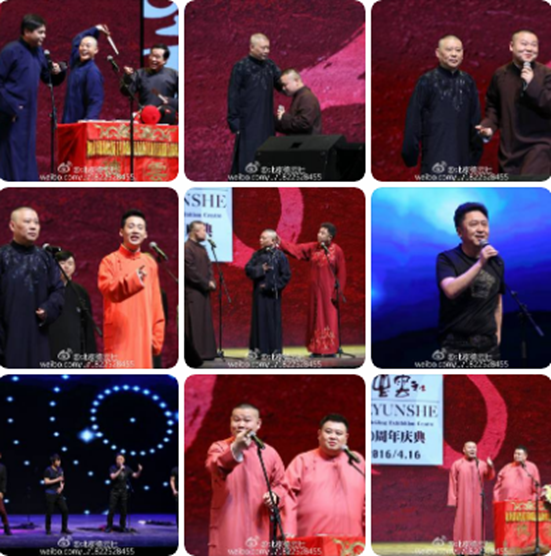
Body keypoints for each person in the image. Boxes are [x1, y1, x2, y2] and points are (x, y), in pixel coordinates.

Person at [206, 403, 287, 556]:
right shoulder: (219, 448)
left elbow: (281, 485)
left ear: (258, 424)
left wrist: (275, 495)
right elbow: (216, 467)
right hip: (228, 523)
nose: (241, 424)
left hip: (258, 525)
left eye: (247, 420)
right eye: (236, 420)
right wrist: (237, 447)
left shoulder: (269, 453)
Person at [402, 35, 483, 179]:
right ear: (438, 53)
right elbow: (414, 121)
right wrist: (410, 155)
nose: (454, 54)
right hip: (434, 157)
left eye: (458, 50)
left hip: (463, 160)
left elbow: (475, 121)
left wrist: (475, 157)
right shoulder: (426, 81)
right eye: (449, 50)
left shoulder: (468, 82)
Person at [476, 30, 551, 178]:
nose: (529, 48)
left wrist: (532, 84)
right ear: (511, 46)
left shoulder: (546, 74)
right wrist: (488, 127)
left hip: (540, 146)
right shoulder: (500, 75)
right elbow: (493, 108)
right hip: (510, 149)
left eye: (534, 45)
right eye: (524, 44)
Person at [0, 14, 66, 181]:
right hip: (10, 114)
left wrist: (58, 71)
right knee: (11, 154)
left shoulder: (39, 53)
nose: (44, 36)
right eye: (40, 32)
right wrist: (10, 107)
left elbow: (47, 78)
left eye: (44, 32)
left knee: (26, 152)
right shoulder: (11, 51)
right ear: (27, 31)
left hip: (29, 114)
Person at [437, 202, 505, 361]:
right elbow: (450, 290)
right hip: (455, 345)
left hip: (489, 346)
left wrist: (498, 336)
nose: (481, 229)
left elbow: (497, 302)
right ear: (460, 231)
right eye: (474, 224)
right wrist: (480, 263)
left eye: (484, 224)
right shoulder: (446, 259)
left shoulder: (496, 262)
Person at [98, 209, 165, 368]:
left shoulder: (150, 264)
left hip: (144, 336)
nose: (135, 231)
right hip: (119, 337)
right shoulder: (109, 261)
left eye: (140, 227)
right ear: (121, 231)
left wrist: (156, 338)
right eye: (131, 226)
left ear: (145, 234)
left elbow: (156, 304)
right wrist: (133, 280)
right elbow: (109, 290)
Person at [0, 207, 65, 368]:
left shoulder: (46, 258)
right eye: (27, 222)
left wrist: (48, 309)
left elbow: (58, 290)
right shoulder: (2, 257)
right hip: (8, 335)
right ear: (12, 226)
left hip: (38, 334)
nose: (33, 226)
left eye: (36, 222)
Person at [284, 414, 365, 536]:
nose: (333, 436)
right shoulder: (303, 461)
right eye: (328, 432)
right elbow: (286, 496)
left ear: (346, 438)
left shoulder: (356, 462)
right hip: (311, 538)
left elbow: (367, 502)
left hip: (352, 541)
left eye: (338, 433)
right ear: (319, 434)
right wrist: (288, 530)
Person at [277, 223, 346, 357]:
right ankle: (316, 349)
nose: (319, 235)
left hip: (329, 292)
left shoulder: (337, 251)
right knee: (315, 318)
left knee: (329, 318)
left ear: (330, 237)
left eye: (323, 233)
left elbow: (341, 273)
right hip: (315, 292)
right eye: (319, 232)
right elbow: (296, 249)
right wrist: (280, 242)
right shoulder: (313, 247)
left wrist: (337, 292)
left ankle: (329, 349)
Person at [228, 33, 282, 175]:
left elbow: (282, 84)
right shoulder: (241, 67)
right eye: (263, 48)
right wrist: (234, 121)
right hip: (247, 123)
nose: (267, 51)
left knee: (267, 156)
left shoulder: (270, 66)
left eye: (268, 48)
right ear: (252, 47)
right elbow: (233, 95)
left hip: (267, 122)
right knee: (248, 158)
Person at [245, 229, 291, 356]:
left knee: (273, 322)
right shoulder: (257, 255)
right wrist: (261, 269)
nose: (260, 240)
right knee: (259, 321)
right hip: (259, 295)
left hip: (273, 295)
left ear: (273, 240)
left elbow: (286, 275)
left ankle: (274, 350)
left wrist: (272, 286)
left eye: (264, 238)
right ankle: (259, 349)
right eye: (260, 238)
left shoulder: (280, 256)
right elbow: (248, 269)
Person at [48, 250, 97, 365]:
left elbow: (87, 324)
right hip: (49, 350)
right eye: (62, 263)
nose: (66, 266)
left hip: (74, 350)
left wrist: (90, 353)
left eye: (70, 263)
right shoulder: (45, 290)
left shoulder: (80, 292)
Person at [448, 441, 495, 555]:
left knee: (477, 524)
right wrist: (453, 499)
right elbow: (453, 482)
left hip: (477, 499)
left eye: (474, 447)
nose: (472, 450)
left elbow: (489, 476)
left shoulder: (481, 464)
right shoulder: (457, 464)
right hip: (463, 499)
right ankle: (460, 549)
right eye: (469, 448)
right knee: (462, 523)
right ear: (464, 450)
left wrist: (490, 467)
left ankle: (477, 549)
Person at [62, 24, 108, 123]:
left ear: (96, 50)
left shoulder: (92, 72)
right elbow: (76, 40)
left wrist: (88, 121)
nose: (84, 48)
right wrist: (96, 29)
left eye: (88, 46)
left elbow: (95, 100)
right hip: (68, 120)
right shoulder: (76, 63)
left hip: (80, 124)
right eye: (82, 45)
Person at [184, 221, 217, 361]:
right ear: (195, 232)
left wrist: (212, 280)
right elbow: (190, 271)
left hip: (203, 291)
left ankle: (207, 352)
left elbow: (209, 267)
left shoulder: (203, 249)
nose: (206, 233)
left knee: (204, 322)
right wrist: (205, 283)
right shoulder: (187, 248)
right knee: (195, 323)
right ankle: (197, 354)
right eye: (203, 230)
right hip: (193, 292)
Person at [122, 43, 178, 122]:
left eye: (157, 57)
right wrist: (127, 77)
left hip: (166, 117)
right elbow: (126, 92)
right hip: (144, 117)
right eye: (152, 56)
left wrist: (171, 101)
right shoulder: (140, 73)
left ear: (165, 60)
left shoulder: (174, 75)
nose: (153, 59)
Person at [275, 69, 322, 135]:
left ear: (296, 81)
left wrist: (283, 117)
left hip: (307, 141)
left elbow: (304, 124)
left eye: (285, 85)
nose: (283, 88)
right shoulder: (301, 97)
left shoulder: (306, 98)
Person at [106, 454, 143, 533]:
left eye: (121, 459)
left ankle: (122, 527)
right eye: (118, 459)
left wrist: (139, 470)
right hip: (114, 491)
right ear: (116, 460)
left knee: (124, 510)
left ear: (124, 460)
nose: (120, 460)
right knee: (111, 510)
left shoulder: (127, 468)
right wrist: (120, 469)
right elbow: (113, 477)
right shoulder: (112, 467)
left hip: (123, 492)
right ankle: (109, 527)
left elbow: (135, 476)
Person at [44, 454, 72, 535]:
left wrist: (61, 488)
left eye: (59, 460)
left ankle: (64, 528)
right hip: (50, 493)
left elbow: (62, 480)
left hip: (58, 494)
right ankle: (48, 529)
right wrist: (57, 479)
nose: (59, 462)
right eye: (57, 461)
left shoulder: (60, 469)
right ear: (53, 461)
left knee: (65, 510)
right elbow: (46, 482)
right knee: (49, 512)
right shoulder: (48, 470)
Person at [0, 450, 12, 536]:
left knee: (2, 510)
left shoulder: (2, 467)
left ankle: (6, 528)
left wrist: (2, 491)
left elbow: (3, 480)